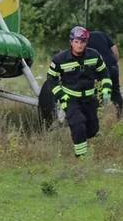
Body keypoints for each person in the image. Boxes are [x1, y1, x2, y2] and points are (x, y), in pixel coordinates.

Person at [45, 26, 112, 158]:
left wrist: (106, 90)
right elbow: (51, 78)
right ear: (71, 42)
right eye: (76, 42)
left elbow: (104, 73)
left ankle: (79, 136)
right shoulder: (59, 59)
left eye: (82, 42)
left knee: (93, 130)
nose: (79, 45)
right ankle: (81, 157)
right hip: (70, 99)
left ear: (86, 42)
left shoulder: (94, 55)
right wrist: (61, 95)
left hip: (89, 99)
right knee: (78, 124)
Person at [86, 30, 123, 117]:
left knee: (98, 93)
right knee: (115, 92)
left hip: (99, 69)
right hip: (112, 66)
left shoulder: (82, 41)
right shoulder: (101, 34)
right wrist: (114, 62)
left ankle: (99, 117)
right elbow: (114, 48)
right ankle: (121, 115)